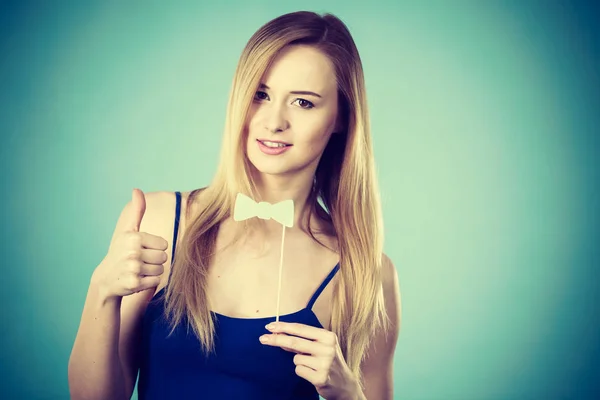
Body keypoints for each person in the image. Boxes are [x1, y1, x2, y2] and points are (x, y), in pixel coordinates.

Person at [68, 10, 401, 400]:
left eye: (303, 103)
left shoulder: (364, 271)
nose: (274, 121)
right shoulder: (158, 221)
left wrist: (348, 393)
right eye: (261, 95)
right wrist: (102, 290)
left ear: (342, 116)